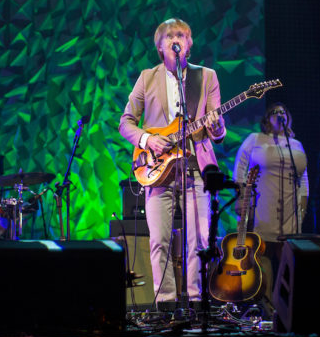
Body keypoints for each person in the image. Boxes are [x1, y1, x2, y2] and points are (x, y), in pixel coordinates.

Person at [119, 17, 225, 304]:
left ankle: (194, 299)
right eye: (169, 36)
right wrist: (147, 140)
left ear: (189, 45)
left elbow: (215, 124)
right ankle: (164, 304)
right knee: (159, 242)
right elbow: (126, 122)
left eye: (181, 35)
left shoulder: (207, 77)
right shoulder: (147, 77)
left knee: (200, 240)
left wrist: (217, 127)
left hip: (196, 169)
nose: (175, 39)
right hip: (158, 169)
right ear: (160, 47)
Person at [233, 102, 309, 309]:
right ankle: (264, 303)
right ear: (267, 119)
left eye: (283, 112)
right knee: (262, 250)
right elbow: (240, 168)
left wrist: (303, 203)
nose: (280, 115)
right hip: (263, 203)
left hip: (290, 207)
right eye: (275, 112)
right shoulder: (255, 139)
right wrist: (241, 197)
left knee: (287, 255)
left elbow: (303, 178)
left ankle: (285, 305)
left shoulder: (296, 145)